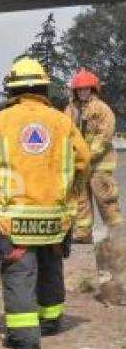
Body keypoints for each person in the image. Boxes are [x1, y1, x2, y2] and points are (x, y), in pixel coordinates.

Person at [0, 57, 90, 349]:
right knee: (51, 267)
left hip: (15, 215)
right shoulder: (63, 121)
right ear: (43, 88)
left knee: (19, 273)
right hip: (55, 216)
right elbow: (83, 162)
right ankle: (50, 322)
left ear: (12, 90)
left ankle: (24, 338)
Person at [64, 68, 123, 243]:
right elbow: (64, 131)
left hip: (100, 164)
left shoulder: (102, 109)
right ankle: (83, 234)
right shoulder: (70, 109)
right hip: (81, 163)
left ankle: (117, 233)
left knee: (105, 198)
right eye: (80, 89)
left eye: (86, 89)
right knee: (80, 199)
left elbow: (104, 134)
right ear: (75, 91)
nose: (83, 92)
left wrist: (88, 155)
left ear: (93, 90)